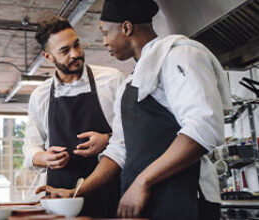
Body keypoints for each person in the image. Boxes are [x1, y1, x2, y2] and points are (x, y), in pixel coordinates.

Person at [36, 1, 232, 219]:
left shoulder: (180, 54)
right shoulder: (129, 82)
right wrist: (76, 193)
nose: (103, 42)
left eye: (105, 32)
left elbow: (204, 128)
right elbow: (119, 149)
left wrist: (143, 181)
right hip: (146, 202)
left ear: (126, 28)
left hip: (185, 198)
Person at [23, 15, 125, 218]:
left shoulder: (112, 80)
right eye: (64, 50)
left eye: (76, 45)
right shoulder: (40, 95)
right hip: (61, 199)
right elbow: (29, 145)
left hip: (108, 192)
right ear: (48, 57)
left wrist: (106, 139)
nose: (75, 54)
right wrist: (44, 157)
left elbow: (132, 135)